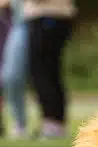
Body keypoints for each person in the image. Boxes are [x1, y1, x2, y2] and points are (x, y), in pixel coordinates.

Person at [23, 0, 73, 138]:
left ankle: (52, 123)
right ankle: (53, 122)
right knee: (47, 71)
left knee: (43, 71)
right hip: (50, 16)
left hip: (48, 15)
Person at [1, 0, 31, 139]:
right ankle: (19, 123)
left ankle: (51, 125)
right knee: (9, 77)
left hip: (27, 22)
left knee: (12, 76)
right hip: (11, 23)